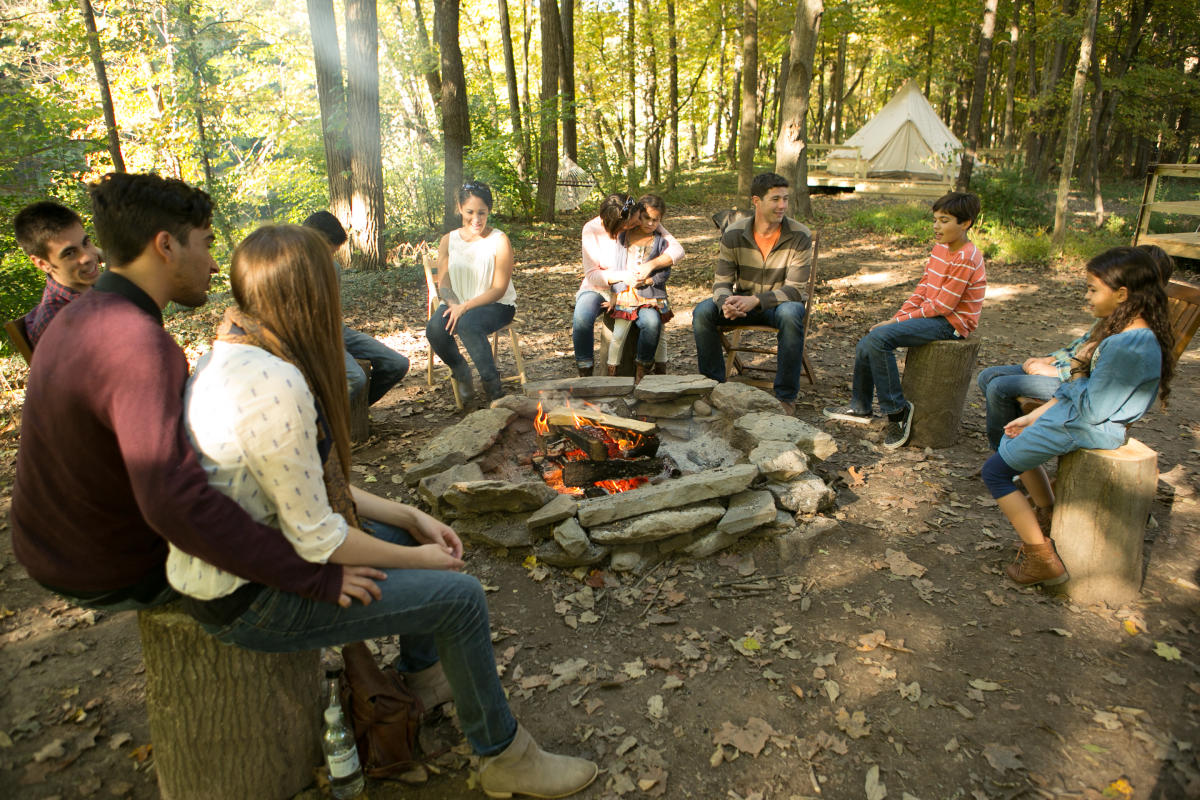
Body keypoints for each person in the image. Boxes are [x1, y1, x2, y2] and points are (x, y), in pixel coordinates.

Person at [172, 223, 598, 799]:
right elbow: (320, 537)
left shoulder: (236, 351)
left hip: (260, 556)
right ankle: (505, 757)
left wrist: (409, 517)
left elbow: (314, 488)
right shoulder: (272, 382)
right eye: (332, 280)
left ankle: (422, 679)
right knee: (461, 597)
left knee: (406, 547)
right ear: (311, 294)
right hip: (252, 596)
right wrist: (424, 557)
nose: (340, 288)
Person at [9, 172, 361, 613]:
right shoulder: (134, 343)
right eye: (207, 242)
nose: (214, 264)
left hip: (51, 549)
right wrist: (311, 577)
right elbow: (172, 501)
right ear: (166, 246)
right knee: (296, 526)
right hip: (104, 565)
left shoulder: (86, 315)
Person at [979, 246, 1175, 587]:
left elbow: (1093, 408)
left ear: (1122, 294)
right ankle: (1047, 512)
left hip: (1089, 427)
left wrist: (1077, 371)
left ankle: (1040, 557)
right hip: (1081, 418)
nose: (1087, 296)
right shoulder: (1129, 335)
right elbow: (1080, 393)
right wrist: (1035, 415)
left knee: (995, 472)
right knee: (1012, 439)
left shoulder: (1125, 345)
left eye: (1092, 289)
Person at [823, 190, 985, 448]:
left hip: (952, 324)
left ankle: (897, 412)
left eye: (944, 221)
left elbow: (944, 306)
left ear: (965, 224)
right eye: (935, 220)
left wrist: (897, 324)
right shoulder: (940, 249)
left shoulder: (966, 256)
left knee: (879, 339)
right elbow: (923, 289)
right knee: (869, 341)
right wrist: (896, 318)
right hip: (935, 315)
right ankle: (860, 406)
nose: (936, 226)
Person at [975, 243, 1174, 451]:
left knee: (999, 387)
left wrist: (1057, 370)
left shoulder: (1133, 331)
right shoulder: (1112, 312)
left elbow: (1094, 375)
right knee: (988, 376)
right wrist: (1050, 359)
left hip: (1075, 384)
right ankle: (1009, 451)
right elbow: (1080, 346)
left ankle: (1003, 454)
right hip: (1066, 372)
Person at [691, 172, 813, 414]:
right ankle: (713, 387)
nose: (782, 206)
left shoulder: (799, 235)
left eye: (786, 199)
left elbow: (796, 289)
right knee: (703, 312)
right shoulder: (734, 234)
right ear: (756, 201)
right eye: (776, 199)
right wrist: (726, 303)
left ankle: (786, 397)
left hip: (779, 307)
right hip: (742, 306)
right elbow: (721, 282)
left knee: (791, 313)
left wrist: (756, 300)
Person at [302, 210, 410, 407]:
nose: (330, 256)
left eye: (333, 252)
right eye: (328, 250)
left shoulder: (332, 268)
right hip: (308, 337)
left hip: (335, 331)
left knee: (397, 364)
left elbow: (333, 311)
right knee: (355, 377)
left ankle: (353, 410)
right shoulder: (285, 268)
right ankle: (319, 424)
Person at [425, 181, 517, 405]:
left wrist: (464, 308)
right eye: (470, 212)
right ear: (459, 208)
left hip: (496, 305)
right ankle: (460, 371)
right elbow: (444, 282)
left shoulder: (499, 240)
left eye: (482, 213)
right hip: (458, 303)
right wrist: (455, 305)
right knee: (435, 329)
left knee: (467, 324)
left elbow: (499, 289)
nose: (476, 219)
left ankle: (493, 389)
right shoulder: (449, 240)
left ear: (489, 212)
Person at [574, 193, 684, 376]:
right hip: (600, 287)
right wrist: (623, 276)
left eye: (637, 221)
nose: (637, 225)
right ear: (617, 224)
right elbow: (592, 275)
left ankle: (643, 370)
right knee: (581, 318)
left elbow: (678, 250)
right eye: (631, 224)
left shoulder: (642, 221)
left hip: (635, 290)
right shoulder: (591, 229)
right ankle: (585, 371)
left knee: (650, 322)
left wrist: (651, 265)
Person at [605, 195, 678, 381]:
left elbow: (664, 272)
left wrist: (647, 281)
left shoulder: (660, 241)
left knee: (653, 324)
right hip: (626, 295)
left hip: (651, 297)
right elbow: (617, 267)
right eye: (647, 218)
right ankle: (611, 373)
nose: (651, 223)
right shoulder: (624, 238)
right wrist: (616, 291)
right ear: (639, 216)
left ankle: (642, 369)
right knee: (618, 335)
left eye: (656, 220)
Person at [13, 200, 103, 348]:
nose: (87, 257)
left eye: (86, 242)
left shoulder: (94, 290)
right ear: (42, 264)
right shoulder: (57, 323)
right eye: (70, 253)